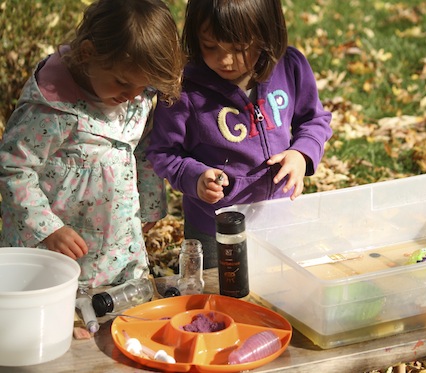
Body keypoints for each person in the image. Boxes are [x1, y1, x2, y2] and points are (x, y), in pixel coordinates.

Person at [0, 0, 184, 288]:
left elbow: (143, 147)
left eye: (143, 86)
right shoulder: (52, 109)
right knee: (64, 315)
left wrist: (150, 201)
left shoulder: (137, 95)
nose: (132, 95)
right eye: (123, 82)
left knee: (117, 311)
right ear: (87, 54)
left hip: (118, 244)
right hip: (60, 247)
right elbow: (14, 168)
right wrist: (48, 229)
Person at [146, 0, 333, 269]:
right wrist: (195, 177)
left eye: (239, 49)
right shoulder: (183, 90)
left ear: (268, 35)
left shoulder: (289, 67)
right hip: (214, 229)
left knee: (277, 292)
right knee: (220, 296)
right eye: (210, 46)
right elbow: (163, 152)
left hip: (280, 218)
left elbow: (314, 119)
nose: (224, 60)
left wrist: (301, 154)